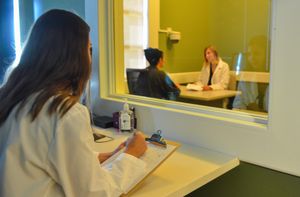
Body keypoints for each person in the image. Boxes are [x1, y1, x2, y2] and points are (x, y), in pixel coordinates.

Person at [0, 9, 148, 197]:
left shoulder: (9, 97)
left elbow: (33, 159)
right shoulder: (65, 113)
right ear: (74, 56)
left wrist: (100, 158)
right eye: (89, 48)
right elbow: (95, 193)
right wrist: (132, 155)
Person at [233, 36, 269, 112]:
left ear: (267, 55)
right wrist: (247, 110)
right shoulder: (246, 76)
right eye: (249, 54)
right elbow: (237, 105)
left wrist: (259, 111)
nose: (252, 58)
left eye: (257, 53)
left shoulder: (275, 76)